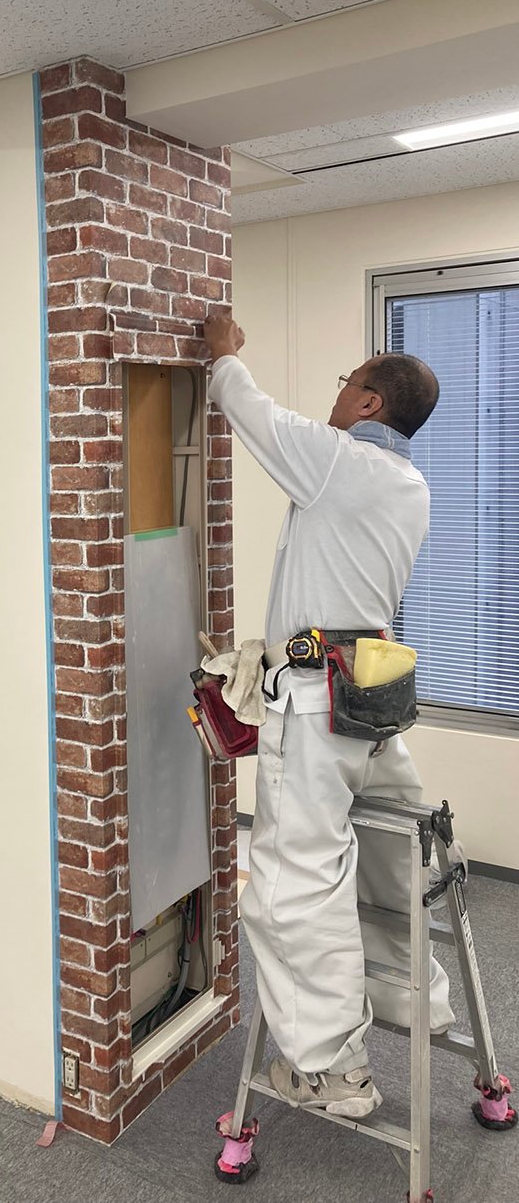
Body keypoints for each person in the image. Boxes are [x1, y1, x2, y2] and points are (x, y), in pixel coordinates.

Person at [202, 311, 453, 1119]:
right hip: (368, 698)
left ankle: (331, 1071)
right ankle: (414, 997)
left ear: (371, 402)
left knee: (291, 882)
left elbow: (251, 412)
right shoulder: (409, 485)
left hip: (315, 704)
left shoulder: (341, 463)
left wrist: (223, 353)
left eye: (350, 381)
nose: (339, 392)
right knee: (384, 858)